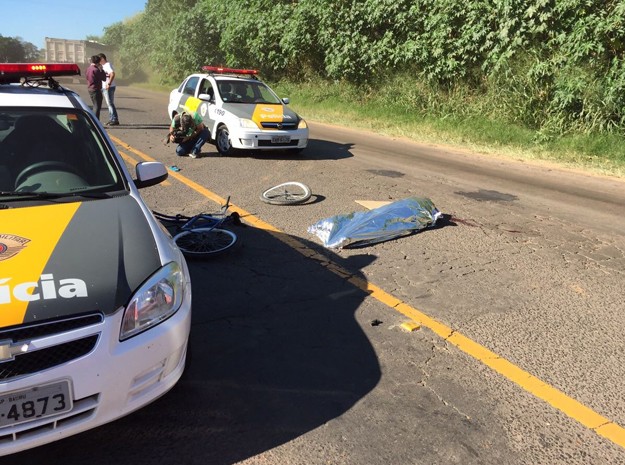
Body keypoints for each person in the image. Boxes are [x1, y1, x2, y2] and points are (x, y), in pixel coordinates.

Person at [98, 53, 119, 126]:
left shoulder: (107, 65)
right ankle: (112, 119)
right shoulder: (104, 65)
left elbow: (112, 74)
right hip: (105, 87)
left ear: (103, 59)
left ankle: (114, 119)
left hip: (108, 87)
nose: (99, 62)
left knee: (110, 103)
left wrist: (109, 83)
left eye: (99, 60)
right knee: (109, 104)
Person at [86, 55, 106, 120]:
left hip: (90, 88)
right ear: (98, 62)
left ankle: (95, 120)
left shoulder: (88, 68)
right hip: (96, 89)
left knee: (95, 105)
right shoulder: (96, 70)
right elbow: (104, 78)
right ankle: (96, 121)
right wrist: (102, 70)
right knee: (97, 106)